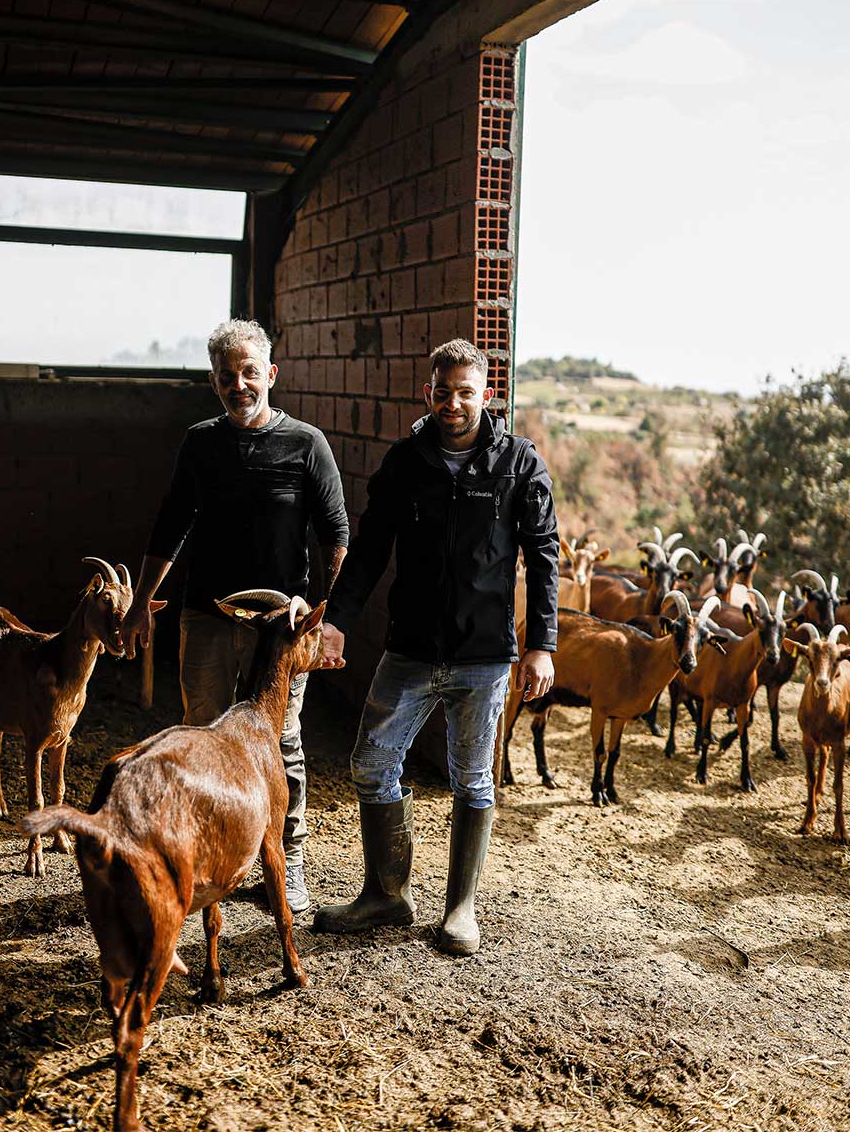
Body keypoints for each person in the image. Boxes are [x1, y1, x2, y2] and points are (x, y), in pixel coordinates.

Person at [314, 338, 558, 955]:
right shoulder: (405, 462)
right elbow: (369, 550)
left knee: (473, 777)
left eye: (466, 392)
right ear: (429, 392)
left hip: (483, 654)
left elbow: (544, 553)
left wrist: (542, 644)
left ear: (487, 394)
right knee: (372, 762)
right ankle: (387, 894)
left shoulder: (518, 462)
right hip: (411, 649)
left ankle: (461, 909)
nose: (454, 403)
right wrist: (338, 617)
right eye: (443, 392)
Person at [121, 318, 349, 914]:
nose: (240, 384)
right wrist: (143, 603)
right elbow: (171, 525)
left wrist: (325, 618)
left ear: (270, 375)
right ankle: (214, 853)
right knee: (205, 737)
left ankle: (286, 857)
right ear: (214, 382)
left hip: (278, 627)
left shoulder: (306, 444)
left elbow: (335, 536)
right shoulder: (201, 443)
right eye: (228, 376)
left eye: (251, 373)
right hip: (207, 616)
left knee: (282, 741)